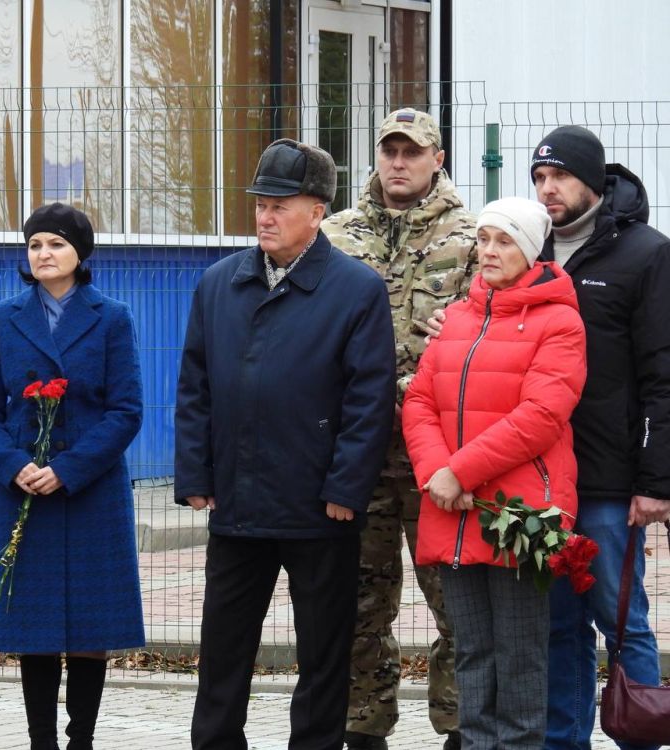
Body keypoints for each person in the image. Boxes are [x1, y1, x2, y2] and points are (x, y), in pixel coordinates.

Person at [175, 138, 396, 749]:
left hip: (320, 508)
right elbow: (195, 386)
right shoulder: (219, 284)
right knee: (223, 650)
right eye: (259, 204)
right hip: (238, 506)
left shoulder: (356, 290)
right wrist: (196, 475)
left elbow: (368, 401)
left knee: (324, 655)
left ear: (318, 211)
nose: (265, 217)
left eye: (281, 204)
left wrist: (347, 487)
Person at [403, 197, 587, 749]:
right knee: (472, 652)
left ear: (530, 250)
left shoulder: (560, 323)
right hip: (452, 510)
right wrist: (437, 472)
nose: (488, 251)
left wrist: (458, 473)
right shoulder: (458, 316)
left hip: (515, 516)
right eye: (483, 239)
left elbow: (541, 416)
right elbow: (419, 402)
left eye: (503, 241)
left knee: (521, 656)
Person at [322, 107, 474, 750]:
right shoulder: (335, 234)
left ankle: (462, 725)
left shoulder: (472, 237)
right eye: (390, 150)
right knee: (359, 598)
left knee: (457, 600)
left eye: (413, 152)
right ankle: (363, 724)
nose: (399, 162)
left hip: (437, 452)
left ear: (437, 159)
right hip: (357, 451)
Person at [0, 202, 145, 750]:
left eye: (56, 244)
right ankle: (41, 740)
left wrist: (67, 469)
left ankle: (81, 740)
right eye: (36, 244)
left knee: (93, 629)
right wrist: (14, 463)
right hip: (23, 490)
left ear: (80, 253)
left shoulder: (112, 317)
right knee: (36, 629)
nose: (44, 254)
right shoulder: (5, 319)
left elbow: (126, 410)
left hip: (91, 492)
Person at [529, 126, 670, 750]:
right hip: (542, 485)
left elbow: (663, 374)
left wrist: (656, 482)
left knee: (623, 624)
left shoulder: (646, 254)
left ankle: (643, 736)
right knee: (558, 627)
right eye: (537, 178)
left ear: (593, 180)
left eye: (558, 176)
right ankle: (565, 742)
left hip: (612, 486)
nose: (547, 189)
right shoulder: (532, 254)